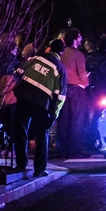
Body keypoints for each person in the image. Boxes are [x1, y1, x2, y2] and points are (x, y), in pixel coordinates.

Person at [13, 38, 68, 178]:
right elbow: (60, 96)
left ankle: (20, 165)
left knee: (20, 130)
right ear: (61, 53)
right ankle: (39, 169)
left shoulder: (35, 58)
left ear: (49, 48)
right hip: (41, 103)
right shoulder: (60, 69)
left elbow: (18, 71)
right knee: (42, 134)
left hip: (23, 96)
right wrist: (53, 115)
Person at [56, 27, 89, 159]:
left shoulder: (62, 53)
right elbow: (81, 74)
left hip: (63, 88)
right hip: (77, 88)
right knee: (77, 120)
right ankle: (75, 150)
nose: (81, 39)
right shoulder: (78, 54)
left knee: (64, 120)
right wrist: (86, 82)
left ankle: (62, 149)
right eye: (79, 37)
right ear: (75, 40)